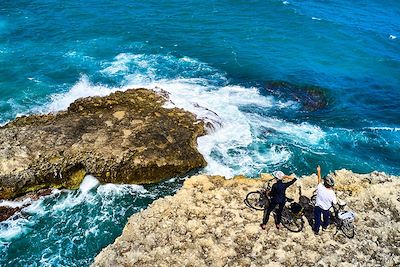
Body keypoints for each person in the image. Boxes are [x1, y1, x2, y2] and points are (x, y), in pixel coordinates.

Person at [313, 165, 337, 235]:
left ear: (325, 183)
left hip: (318, 206)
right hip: (326, 208)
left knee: (317, 219)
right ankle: (324, 227)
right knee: (326, 218)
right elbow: (334, 202)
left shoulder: (320, 187)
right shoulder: (332, 193)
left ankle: (316, 231)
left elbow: (319, 179)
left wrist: (319, 171)